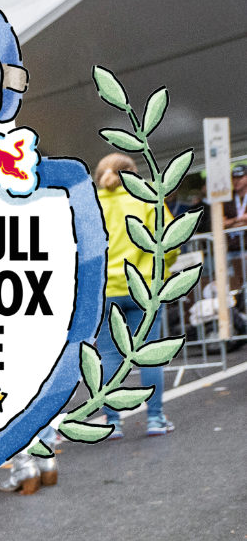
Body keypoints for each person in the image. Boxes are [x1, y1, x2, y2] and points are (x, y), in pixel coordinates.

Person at [96, 152, 175, 438]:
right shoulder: (148, 199)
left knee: (108, 356)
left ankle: (112, 423)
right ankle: (155, 418)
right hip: (143, 287)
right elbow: (169, 242)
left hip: (104, 291)